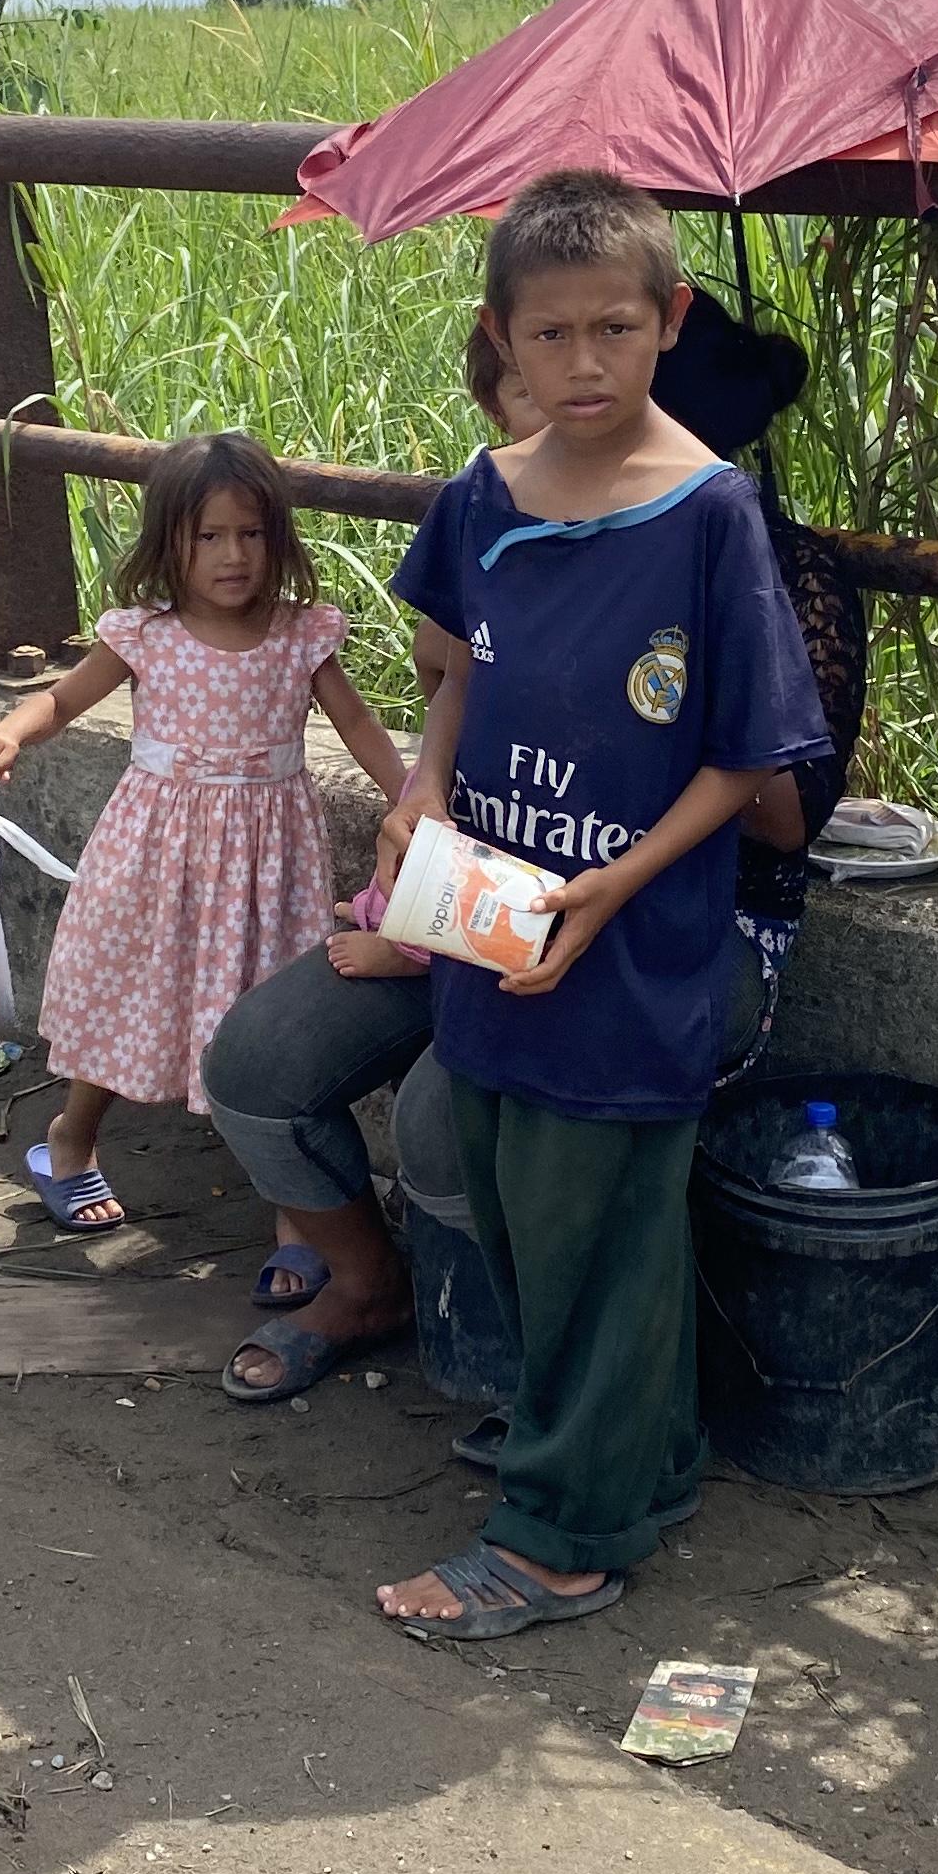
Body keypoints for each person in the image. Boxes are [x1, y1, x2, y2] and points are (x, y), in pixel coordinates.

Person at [203, 296, 863, 1417]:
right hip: (491, 883)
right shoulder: (511, 524)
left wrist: (622, 734)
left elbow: (786, 812)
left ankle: (528, 1375)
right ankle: (369, 1286)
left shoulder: (757, 559)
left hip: (669, 911)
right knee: (257, 1064)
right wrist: (454, 714)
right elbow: (461, 713)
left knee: (438, 1124)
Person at [369, 171, 829, 1641]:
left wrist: (618, 882)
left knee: (602, 1226)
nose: (580, 366)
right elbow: (461, 672)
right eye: (548, 336)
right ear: (500, 338)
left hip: (632, 942)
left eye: (613, 332)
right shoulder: (485, 502)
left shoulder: (708, 515)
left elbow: (751, 757)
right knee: (516, 1199)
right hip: (490, 909)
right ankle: (636, 1459)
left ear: (669, 322)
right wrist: (425, 788)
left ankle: (560, 1537)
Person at [0, 434, 406, 1259]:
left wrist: (412, 802)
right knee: (129, 995)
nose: (234, 555)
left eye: (252, 533)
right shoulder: (144, 635)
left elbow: (356, 723)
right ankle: (70, 1137)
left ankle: (294, 1204)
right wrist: (11, 731)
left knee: (270, 1014)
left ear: (279, 537)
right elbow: (61, 701)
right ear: (170, 540)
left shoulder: (301, 634)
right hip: (156, 857)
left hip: (268, 864)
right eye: (209, 536)